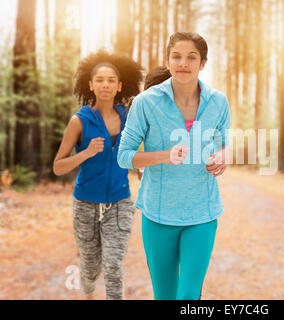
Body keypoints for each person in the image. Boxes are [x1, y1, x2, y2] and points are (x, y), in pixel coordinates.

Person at [118, 31, 231, 300]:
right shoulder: (146, 103)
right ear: (168, 61)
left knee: (189, 295)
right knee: (165, 295)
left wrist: (223, 154)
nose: (183, 63)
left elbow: (224, 141)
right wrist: (163, 155)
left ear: (202, 63)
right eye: (176, 56)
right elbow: (124, 155)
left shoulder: (218, 102)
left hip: (202, 213)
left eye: (191, 57)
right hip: (158, 214)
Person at [53, 49, 143, 300]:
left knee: (113, 266)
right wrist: (85, 153)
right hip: (85, 204)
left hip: (120, 202)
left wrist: (140, 168)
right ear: (91, 85)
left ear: (119, 85)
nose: (106, 84)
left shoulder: (129, 117)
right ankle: (88, 294)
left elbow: (136, 152)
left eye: (111, 80)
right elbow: (58, 166)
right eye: (100, 80)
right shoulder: (79, 121)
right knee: (91, 268)